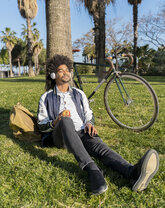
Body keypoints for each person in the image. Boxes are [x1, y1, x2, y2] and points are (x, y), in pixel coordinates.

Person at [37, 54, 159, 195]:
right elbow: (41, 124)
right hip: (61, 135)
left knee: (102, 149)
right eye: (60, 70)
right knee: (65, 120)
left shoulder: (79, 93)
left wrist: (89, 123)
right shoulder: (46, 97)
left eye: (67, 69)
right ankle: (92, 170)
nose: (65, 72)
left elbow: (88, 113)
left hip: (82, 132)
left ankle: (132, 172)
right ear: (53, 75)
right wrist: (56, 121)